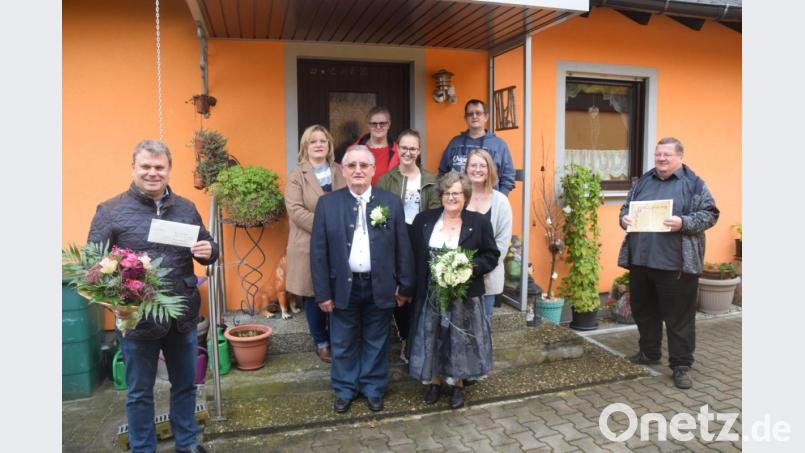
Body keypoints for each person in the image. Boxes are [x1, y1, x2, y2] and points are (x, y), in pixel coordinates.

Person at [88, 140, 218, 453]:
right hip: (138, 319)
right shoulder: (110, 210)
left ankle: (187, 444)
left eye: (159, 167)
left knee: (186, 385)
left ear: (169, 170)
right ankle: (143, 448)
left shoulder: (186, 208)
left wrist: (209, 251)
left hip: (182, 315)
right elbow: (91, 266)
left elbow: (208, 248)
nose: (152, 173)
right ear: (133, 168)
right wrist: (115, 301)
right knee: (139, 392)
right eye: (145, 167)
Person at [310, 145, 415, 414]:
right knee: (342, 341)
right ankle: (345, 389)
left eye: (364, 165)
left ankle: (373, 388)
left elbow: (402, 247)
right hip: (342, 287)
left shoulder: (390, 202)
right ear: (343, 171)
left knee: (377, 340)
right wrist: (322, 293)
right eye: (352, 166)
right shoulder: (328, 203)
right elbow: (318, 252)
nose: (358, 170)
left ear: (373, 170)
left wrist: (405, 285)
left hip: (380, 285)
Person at [618, 137, 719, 390]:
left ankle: (681, 365)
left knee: (679, 318)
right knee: (644, 311)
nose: (661, 159)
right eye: (658, 154)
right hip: (641, 262)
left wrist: (683, 223)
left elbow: (710, 214)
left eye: (667, 155)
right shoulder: (643, 181)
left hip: (676, 266)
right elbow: (625, 208)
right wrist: (624, 219)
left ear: (680, 157)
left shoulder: (694, 184)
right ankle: (650, 353)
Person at [407, 172, 500, 409]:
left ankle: (458, 384)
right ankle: (435, 382)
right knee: (432, 337)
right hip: (430, 294)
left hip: (464, 298)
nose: (451, 197)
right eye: (447, 192)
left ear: (466, 196)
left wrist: (470, 267)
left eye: (456, 192)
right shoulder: (423, 220)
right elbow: (412, 256)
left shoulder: (479, 223)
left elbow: (491, 256)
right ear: (440, 195)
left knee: (459, 342)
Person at [377, 129, 441, 360]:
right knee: (400, 292)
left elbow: (434, 213)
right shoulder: (385, 179)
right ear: (397, 148)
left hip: (421, 243)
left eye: (413, 148)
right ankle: (406, 339)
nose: (408, 152)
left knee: (419, 292)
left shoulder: (431, 180)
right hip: (394, 243)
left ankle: (419, 339)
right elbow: (380, 213)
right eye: (404, 147)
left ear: (419, 151)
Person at [285, 125, 346, 363]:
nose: (319, 145)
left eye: (323, 141)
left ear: (329, 145)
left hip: (340, 243)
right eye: (313, 141)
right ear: (305, 146)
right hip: (308, 244)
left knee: (338, 292)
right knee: (313, 294)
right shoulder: (297, 175)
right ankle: (321, 341)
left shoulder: (341, 170)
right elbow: (295, 210)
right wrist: (326, 227)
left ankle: (338, 338)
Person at [464, 149, 513, 320]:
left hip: (488, 278)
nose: (477, 169)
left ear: (489, 169)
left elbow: (502, 243)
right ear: (466, 169)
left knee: (483, 330)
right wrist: (458, 269)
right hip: (457, 278)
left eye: (482, 165)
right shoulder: (459, 197)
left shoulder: (501, 202)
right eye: (473, 165)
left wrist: (477, 268)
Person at [438, 99, 515, 195]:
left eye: (478, 113)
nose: (474, 116)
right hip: (458, 202)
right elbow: (442, 173)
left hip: (487, 204)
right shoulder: (455, 143)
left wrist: (499, 200)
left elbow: (508, 177)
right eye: (470, 114)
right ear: (465, 118)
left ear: (486, 117)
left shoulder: (499, 145)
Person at [352, 106, 399, 186]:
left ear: (389, 124)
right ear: (368, 125)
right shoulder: (353, 150)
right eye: (374, 124)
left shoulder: (398, 152)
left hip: (388, 197)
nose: (378, 127)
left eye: (382, 123)